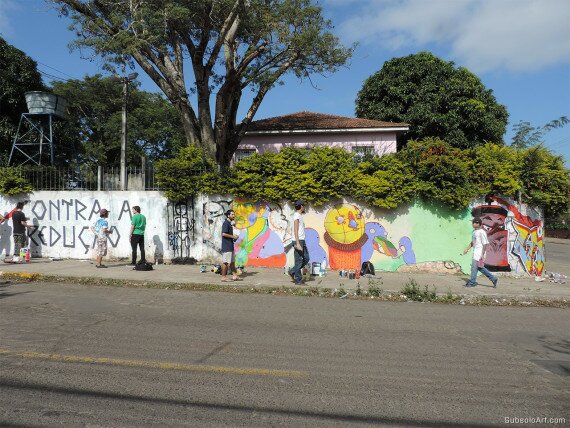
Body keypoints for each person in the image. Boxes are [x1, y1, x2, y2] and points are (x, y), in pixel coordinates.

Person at [463, 217, 498, 288]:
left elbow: (485, 244)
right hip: (475, 252)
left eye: (474, 223)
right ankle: (493, 279)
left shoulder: (482, 232)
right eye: (472, 223)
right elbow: (473, 242)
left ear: (478, 224)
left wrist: (482, 254)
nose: (472, 224)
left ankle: (472, 282)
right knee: (479, 268)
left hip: (479, 253)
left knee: (474, 267)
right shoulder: (474, 232)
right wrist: (467, 249)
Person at [288, 200, 310, 285]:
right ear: (301, 206)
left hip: (301, 240)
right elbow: (295, 230)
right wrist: (297, 243)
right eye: (303, 205)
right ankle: (298, 280)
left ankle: (293, 271)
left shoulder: (299, 215)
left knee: (306, 258)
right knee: (299, 261)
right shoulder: (296, 216)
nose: (304, 207)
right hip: (298, 241)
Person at [221, 209, 240, 282]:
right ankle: (223, 277)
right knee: (225, 262)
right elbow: (224, 234)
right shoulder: (226, 223)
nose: (233, 215)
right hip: (226, 246)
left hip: (230, 245)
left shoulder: (230, 223)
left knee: (232, 262)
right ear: (228, 215)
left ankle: (235, 276)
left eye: (234, 214)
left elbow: (231, 234)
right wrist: (233, 237)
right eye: (232, 214)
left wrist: (235, 237)